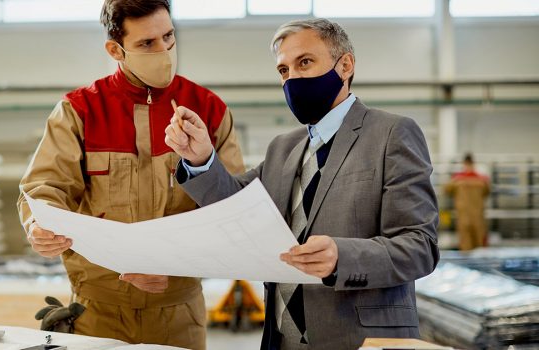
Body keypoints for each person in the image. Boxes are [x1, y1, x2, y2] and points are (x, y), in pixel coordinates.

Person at [164, 19, 439, 349]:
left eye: (304, 62)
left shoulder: (392, 134)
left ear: (346, 65)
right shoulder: (283, 148)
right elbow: (236, 205)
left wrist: (343, 257)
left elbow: (419, 246)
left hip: (362, 338)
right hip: (282, 338)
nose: (292, 78)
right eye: (283, 70)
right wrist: (201, 158)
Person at [17, 0, 244, 348]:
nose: (164, 51)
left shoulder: (208, 110)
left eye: (168, 37)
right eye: (147, 44)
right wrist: (38, 224)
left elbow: (232, 209)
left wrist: (174, 262)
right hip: (96, 312)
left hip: (179, 313)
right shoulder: (79, 110)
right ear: (115, 49)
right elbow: (45, 187)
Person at [444, 153, 490, 251]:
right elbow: (487, 192)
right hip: (477, 215)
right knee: (478, 242)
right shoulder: (482, 180)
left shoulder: (457, 180)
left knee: (466, 244)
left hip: (464, 215)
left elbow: (447, 191)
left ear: (464, 164)